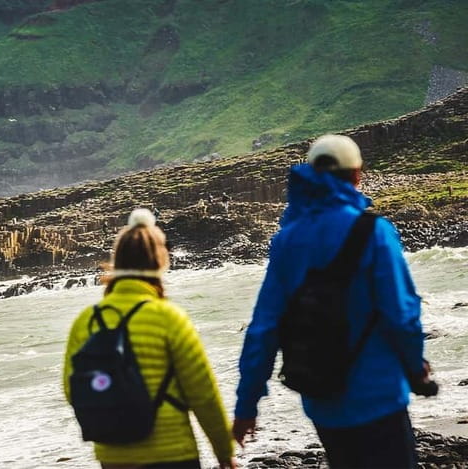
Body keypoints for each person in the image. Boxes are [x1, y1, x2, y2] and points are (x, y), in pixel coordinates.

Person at [233, 134, 432, 468]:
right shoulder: (375, 232)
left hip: (322, 399)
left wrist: (246, 406)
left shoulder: (287, 240)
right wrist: (416, 369)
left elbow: (264, 329)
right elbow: (402, 313)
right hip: (380, 394)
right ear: (357, 175)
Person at [63, 208, 236, 469]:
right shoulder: (168, 317)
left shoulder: (86, 320)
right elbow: (203, 393)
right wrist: (224, 452)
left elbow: (71, 387)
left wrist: (112, 412)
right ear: (160, 261)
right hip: (171, 452)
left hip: (113, 455)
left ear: (117, 262)